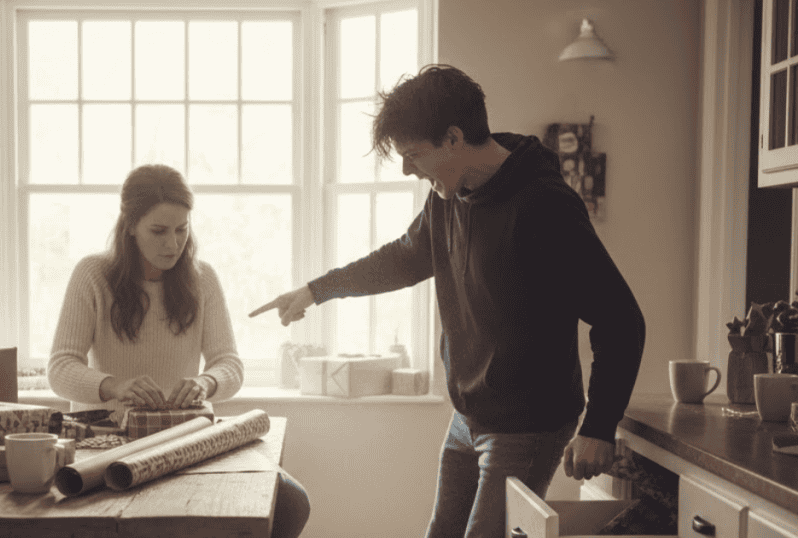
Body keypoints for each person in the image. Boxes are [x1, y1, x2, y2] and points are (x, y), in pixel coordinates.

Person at [249, 65, 645, 538]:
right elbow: (401, 259)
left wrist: (599, 426)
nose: (407, 169)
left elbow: (621, 319)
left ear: (454, 138)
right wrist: (316, 290)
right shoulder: (447, 199)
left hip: (527, 425)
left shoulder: (544, 206)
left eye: (413, 154)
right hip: (467, 416)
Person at [48, 164, 310, 538]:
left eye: (181, 229)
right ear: (130, 225)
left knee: (291, 502)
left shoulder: (202, 278)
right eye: (159, 231)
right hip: (110, 448)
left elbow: (229, 365)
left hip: (186, 442)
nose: (173, 244)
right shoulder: (93, 274)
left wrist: (206, 382)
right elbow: (60, 368)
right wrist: (114, 386)